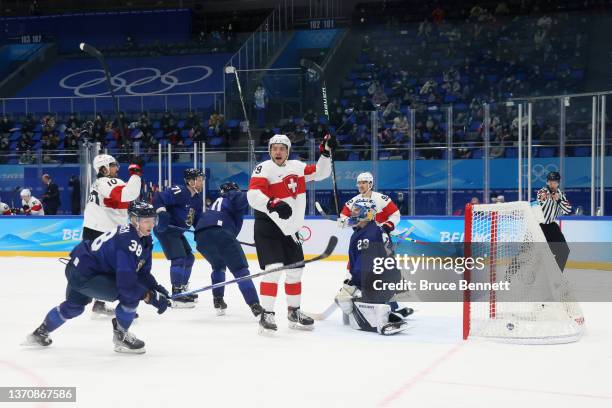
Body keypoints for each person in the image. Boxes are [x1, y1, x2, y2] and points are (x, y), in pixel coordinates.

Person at [23, 202, 170, 354]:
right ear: (133, 220)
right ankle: (121, 336)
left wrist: (156, 288)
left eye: (153, 219)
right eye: (146, 220)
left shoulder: (142, 238)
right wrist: (150, 296)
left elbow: (142, 273)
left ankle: (40, 333)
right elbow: (127, 285)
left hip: (80, 266)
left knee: (74, 306)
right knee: (130, 296)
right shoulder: (129, 242)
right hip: (85, 274)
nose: (151, 224)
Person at [247, 133, 335, 334]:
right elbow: (253, 194)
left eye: (282, 148)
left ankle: (294, 311)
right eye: (274, 148)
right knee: (274, 268)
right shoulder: (263, 168)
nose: (278, 152)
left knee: (296, 271)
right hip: (268, 226)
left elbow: (320, 173)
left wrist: (325, 153)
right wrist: (272, 202)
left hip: (291, 230)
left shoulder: (298, 167)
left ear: (288, 151)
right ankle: (267, 313)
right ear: (270, 150)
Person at [334, 201, 412, 335]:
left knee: (344, 298)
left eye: (357, 210)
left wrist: (354, 283)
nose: (352, 213)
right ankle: (388, 310)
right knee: (349, 296)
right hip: (388, 279)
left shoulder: (366, 235)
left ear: (367, 213)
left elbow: (366, 265)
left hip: (379, 280)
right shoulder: (371, 230)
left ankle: (382, 320)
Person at [83, 154, 144, 316]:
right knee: (119, 268)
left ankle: (98, 302)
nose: (117, 168)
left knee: (99, 269)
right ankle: (121, 304)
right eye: (113, 165)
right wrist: (136, 173)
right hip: (104, 231)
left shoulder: (99, 182)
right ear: (103, 169)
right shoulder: (108, 181)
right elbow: (128, 194)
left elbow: (120, 201)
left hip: (92, 229)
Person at [193, 182, 263, 316]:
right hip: (222, 234)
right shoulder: (233, 195)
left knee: (218, 266)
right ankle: (254, 304)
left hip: (201, 237)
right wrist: (257, 192)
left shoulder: (216, 203)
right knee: (241, 271)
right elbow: (245, 197)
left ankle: (218, 300)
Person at [153, 168, 203, 308]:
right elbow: (158, 197)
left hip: (177, 232)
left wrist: (203, 232)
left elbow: (197, 219)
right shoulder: (180, 190)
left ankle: (182, 288)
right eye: (199, 179)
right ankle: (177, 293)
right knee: (179, 258)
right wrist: (161, 213)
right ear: (191, 181)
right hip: (167, 230)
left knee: (189, 258)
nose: (202, 182)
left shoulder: (197, 199)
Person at [536, 171, 572, 272]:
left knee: (564, 251)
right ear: (547, 182)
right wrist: (546, 197)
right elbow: (541, 201)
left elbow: (568, 210)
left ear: (558, 183)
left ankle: (556, 277)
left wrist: (559, 200)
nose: (552, 184)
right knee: (527, 252)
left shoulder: (561, 194)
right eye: (550, 182)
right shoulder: (542, 192)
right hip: (538, 226)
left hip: (551, 226)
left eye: (555, 182)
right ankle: (511, 273)